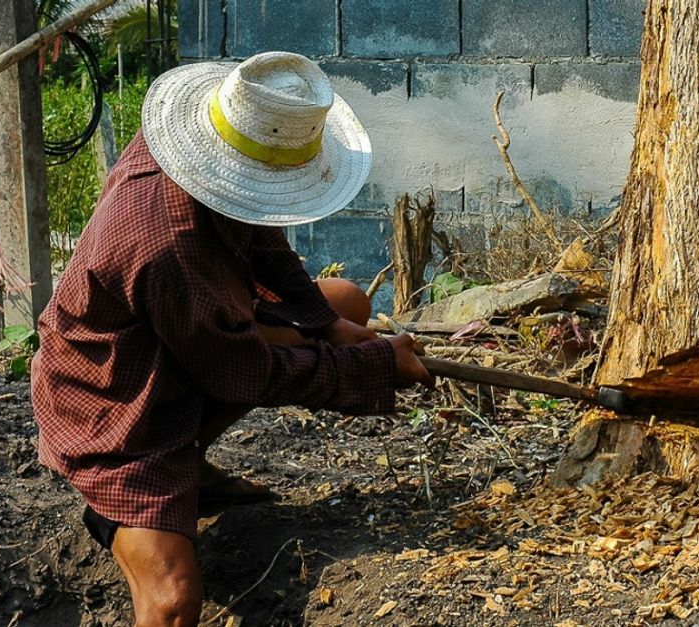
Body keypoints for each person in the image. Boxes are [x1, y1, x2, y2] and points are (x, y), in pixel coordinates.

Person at [30, 51, 431, 626]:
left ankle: (188, 469)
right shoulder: (169, 246)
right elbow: (247, 372)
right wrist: (371, 365)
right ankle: (120, 509)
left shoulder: (200, 153)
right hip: (111, 407)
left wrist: (328, 324)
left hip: (176, 346)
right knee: (172, 602)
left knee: (347, 302)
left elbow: (261, 236)